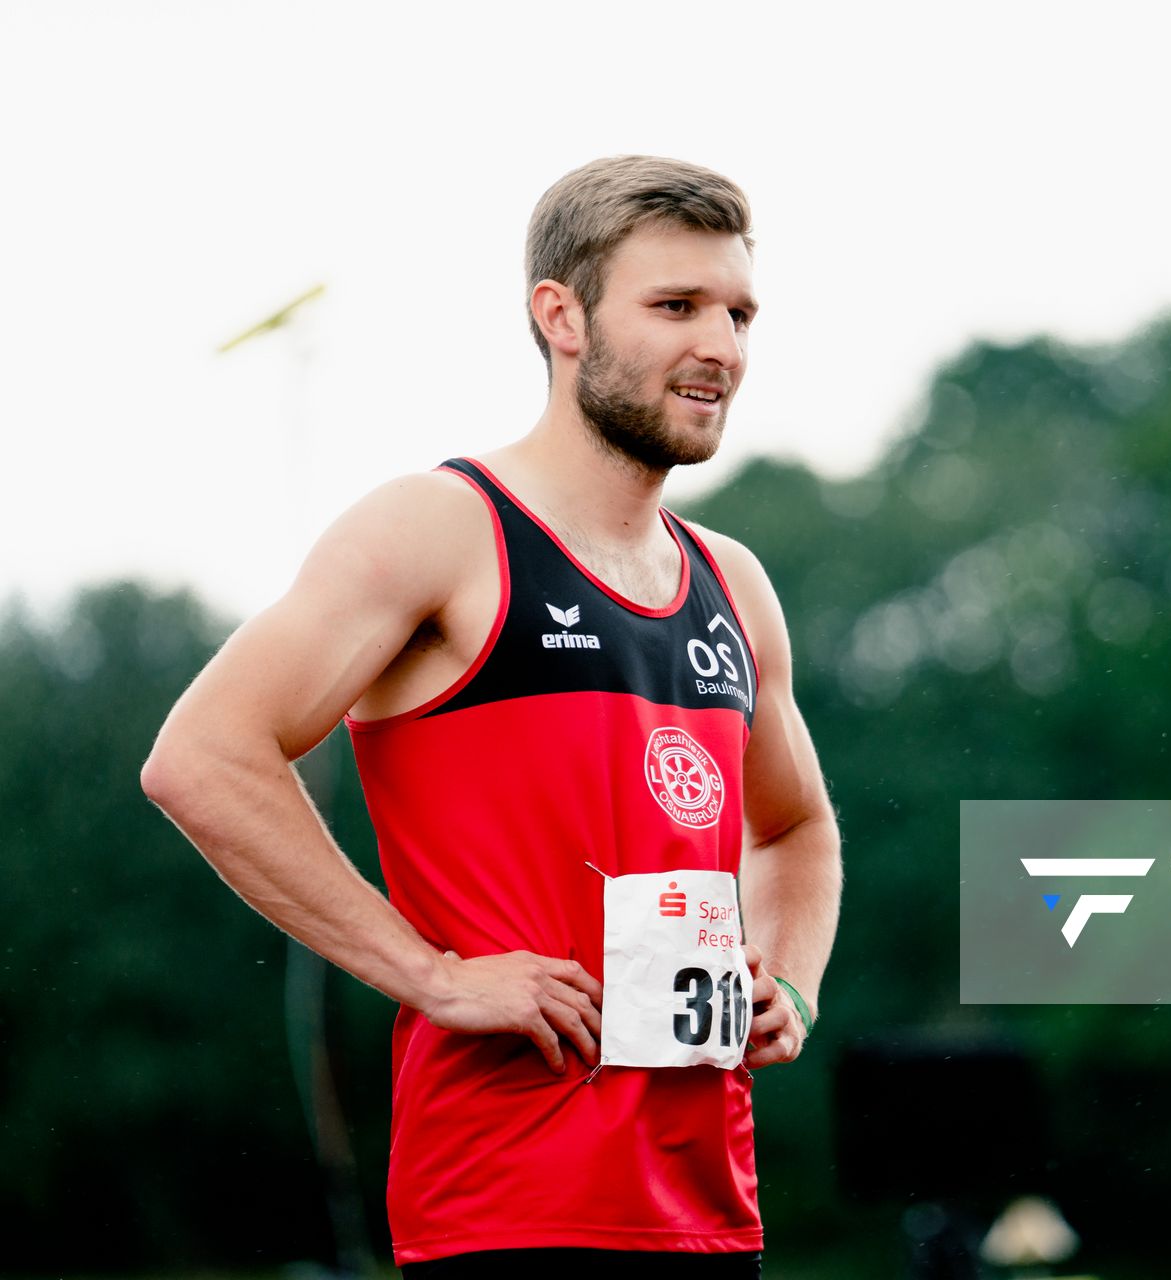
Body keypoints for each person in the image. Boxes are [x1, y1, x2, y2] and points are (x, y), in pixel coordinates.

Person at [141, 156, 841, 1277]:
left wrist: (790, 976)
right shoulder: (442, 527)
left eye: (739, 312)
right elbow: (203, 757)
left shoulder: (734, 582)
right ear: (560, 316)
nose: (722, 345)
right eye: (675, 306)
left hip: (709, 1203)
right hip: (506, 1208)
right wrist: (430, 974)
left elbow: (795, 829)